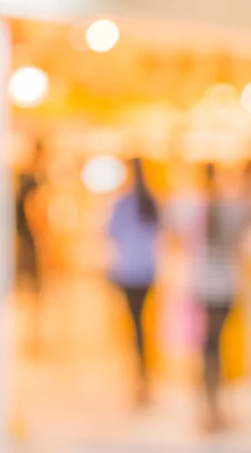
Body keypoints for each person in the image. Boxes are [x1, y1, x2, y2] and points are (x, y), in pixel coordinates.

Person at [179, 162, 251, 432]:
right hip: (226, 287)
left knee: (208, 348)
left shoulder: (194, 209)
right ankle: (218, 406)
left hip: (204, 287)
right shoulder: (229, 209)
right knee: (217, 347)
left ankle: (212, 406)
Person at [108, 158, 159, 407]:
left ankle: (140, 370)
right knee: (144, 319)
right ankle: (145, 367)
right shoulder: (151, 201)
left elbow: (111, 232)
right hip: (148, 269)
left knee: (134, 321)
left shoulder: (124, 203)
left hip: (129, 270)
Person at [15, 139, 46, 356]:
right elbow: (34, 211)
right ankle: (31, 336)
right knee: (31, 290)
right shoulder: (32, 181)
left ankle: (30, 335)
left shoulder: (23, 179)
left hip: (23, 240)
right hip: (29, 242)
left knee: (28, 290)